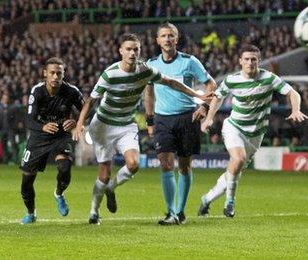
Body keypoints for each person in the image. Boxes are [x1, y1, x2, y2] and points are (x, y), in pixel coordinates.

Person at [72, 33, 211, 225]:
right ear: (120, 51)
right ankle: (94, 212)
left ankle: (111, 188)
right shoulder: (110, 73)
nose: (132, 53)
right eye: (128, 49)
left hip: (126, 125)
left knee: (134, 164)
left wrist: (197, 94)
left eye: (136, 49)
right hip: (103, 125)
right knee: (104, 173)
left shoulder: (145, 71)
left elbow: (171, 82)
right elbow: (90, 101)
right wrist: (80, 123)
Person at [199, 45, 308, 218]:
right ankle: (230, 202)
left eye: (254, 59)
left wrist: (296, 109)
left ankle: (206, 199)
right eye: (247, 59)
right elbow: (217, 98)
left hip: (256, 134)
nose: (250, 62)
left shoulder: (269, 78)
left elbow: (293, 93)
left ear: (258, 61)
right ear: (240, 61)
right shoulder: (232, 80)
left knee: (235, 169)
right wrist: (209, 118)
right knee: (238, 159)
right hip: (234, 127)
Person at [145, 23, 217, 225]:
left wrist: (203, 106)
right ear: (157, 40)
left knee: (184, 166)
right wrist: (149, 120)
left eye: (171, 36)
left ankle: (180, 210)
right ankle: (170, 213)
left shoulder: (190, 61)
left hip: (187, 117)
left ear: (176, 39)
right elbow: (148, 93)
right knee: (165, 164)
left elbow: (211, 83)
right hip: (162, 119)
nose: (167, 39)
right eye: (163, 36)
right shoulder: (151, 64)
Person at [19, 57, 83, 224]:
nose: (55, 77)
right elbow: (30, 120)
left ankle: (59, 193)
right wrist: (43, 127)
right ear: (45, 74)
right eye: (52, 73)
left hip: (61, 134)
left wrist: (77, 122)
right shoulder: (37, 91)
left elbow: (86, 109)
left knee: (65, 166)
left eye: (59, 73)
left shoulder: (71, 91)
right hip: (39, 136)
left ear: (63, 75)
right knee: (26, 180)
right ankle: (31, 213)